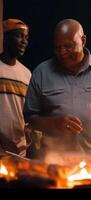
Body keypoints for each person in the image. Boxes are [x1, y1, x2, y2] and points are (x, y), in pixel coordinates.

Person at [23, 19, 91, 158]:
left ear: (83, 41)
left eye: (68, 46)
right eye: (57, 47)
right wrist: (55, 123)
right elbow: (30, 118)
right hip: (57, 161)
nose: (62, 52)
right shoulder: (41, 73)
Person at [0, 19, 31, 157]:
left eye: (26, 37)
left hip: (20, 151)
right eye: (19, 36)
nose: (24, 41)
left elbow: (27, 111)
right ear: (5, 38)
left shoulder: (26, 74)